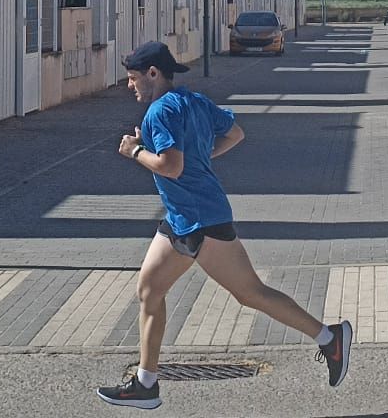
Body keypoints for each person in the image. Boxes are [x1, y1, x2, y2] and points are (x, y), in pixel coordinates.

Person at [97, 40, 351, 410]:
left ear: (153, 73)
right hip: (184, 218)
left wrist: (134, 151)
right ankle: (145, 383)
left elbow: (171, 166)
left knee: (251, 294)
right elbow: (235, 134)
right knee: (150, 290)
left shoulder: (159, 113)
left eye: (133, 78)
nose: (129, 85)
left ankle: (330, 339)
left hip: (199, 221)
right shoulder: (195, 102)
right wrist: (200, 158)